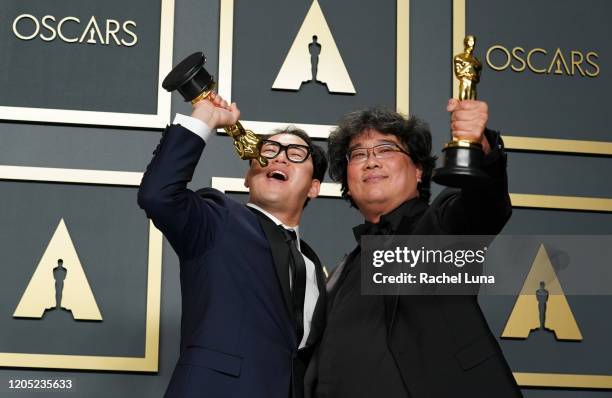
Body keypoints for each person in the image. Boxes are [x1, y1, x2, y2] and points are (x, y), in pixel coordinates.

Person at [307, 99, 522, 397]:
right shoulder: (342, 271)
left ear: (419, 170)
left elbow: (483, 207)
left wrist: (480, 148)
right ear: (348, 181)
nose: (371, 161)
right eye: (358, 155)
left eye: (386, 149)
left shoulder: (439, 228)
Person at [138, 94, 328, 398]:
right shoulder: (218, 218)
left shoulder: (314, 265)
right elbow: (158, 195)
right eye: (268, 150)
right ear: (247, 178)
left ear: (314, 187)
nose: (278, 158)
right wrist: (205, 117)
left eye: (295, 154)